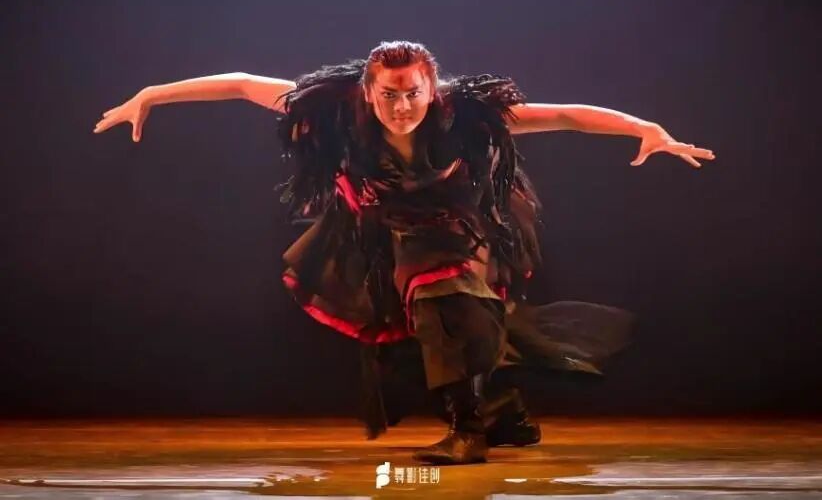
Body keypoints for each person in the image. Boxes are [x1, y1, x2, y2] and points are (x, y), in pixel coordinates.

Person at [94, 40, 715, 465]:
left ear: (430, 87)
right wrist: (150, 93)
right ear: (367, 91)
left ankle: (468, 432)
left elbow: (568, 117)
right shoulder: (333, 108)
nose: (401, 107)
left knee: (447, 299)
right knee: (417, 332)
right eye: (389, 96)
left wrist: (645, 130)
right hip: (380, 232)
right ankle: (501, 413)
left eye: (412, 93)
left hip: (458, 228)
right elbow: (237, 84)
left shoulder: (466, 115)